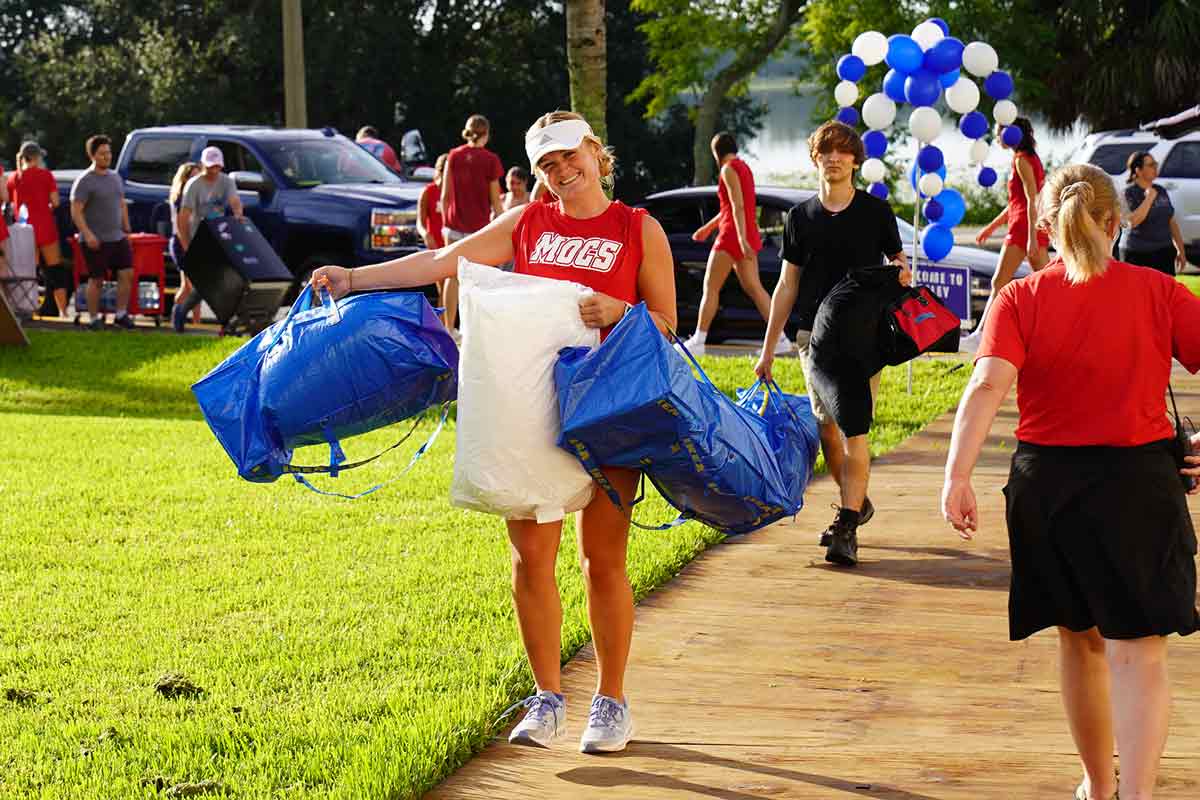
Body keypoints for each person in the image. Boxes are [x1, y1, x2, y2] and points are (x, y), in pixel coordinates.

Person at [312, 110, 676, 755]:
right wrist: (352, 279)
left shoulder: (638, 229)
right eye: (548, 165)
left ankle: (612, 702)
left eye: (570, 156)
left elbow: (670, 329)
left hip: (610, 412)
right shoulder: (528, 223)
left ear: (596, 151)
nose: (564, 172)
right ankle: (547, 698)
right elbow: (442, 262)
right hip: (530, 412)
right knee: (531, 559)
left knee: (603, 563)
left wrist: (623, 312)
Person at [942, 163, 1200, 800]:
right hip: (1138, 483)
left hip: (1048, 489)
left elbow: (986, 386)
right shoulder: (1160, 292)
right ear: (1116, 224)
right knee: (1138, 653)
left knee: (1080, 643)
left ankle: (1096, 784)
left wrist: (957, 475)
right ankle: (1135, 794)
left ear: (1044, 228)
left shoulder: (1020, 299)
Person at [753, 120, 908, 567]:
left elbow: (897, 264)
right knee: (827, 429)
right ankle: (856, 501)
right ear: (815, 160)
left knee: (853, 428)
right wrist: (767, 351)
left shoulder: (876, 213)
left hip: (864, 338)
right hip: (810, 339)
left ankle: (846, 524)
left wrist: (900, 274)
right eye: (827, 152)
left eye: (844, 151)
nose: (835, 158)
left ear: (856, 161)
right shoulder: (800, 217)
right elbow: (787, 283)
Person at [679, 131, 789, 356]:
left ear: (716, 152)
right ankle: (782, 339)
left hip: (731, 236)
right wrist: (708, 228)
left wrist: (740, 239)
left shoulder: (728, 170)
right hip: (743, 232)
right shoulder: (744, 168)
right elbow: (732, 208)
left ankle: (699, 340)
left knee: (710, 287)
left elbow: (737, 207)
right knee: (755, 288)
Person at [962, 117, 1050, 351]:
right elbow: (1017, 202)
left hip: (1024, 227)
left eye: (1000, 131)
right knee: (1047, 282)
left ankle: (981, 335)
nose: (997, 136)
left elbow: (1033, 199)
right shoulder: (1027, 158)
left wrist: (1031, 236)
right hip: (1026, 224)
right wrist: (992, 227)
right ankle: (1054, 330)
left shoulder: (1022, 160)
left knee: (999, 282)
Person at [440, 114, 504, 332]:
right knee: (478, 281)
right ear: (486, 134)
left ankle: (449, 329)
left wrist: (444, 224)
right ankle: (474, 330)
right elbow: (496, 202)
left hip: (453, 225)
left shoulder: (454, 156)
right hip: (479, 229)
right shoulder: (490, 160)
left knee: (452, 277)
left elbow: (445, 195)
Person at [172, 147, 245, 332]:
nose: (214, 171)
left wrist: (237, 215)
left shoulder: (226, 181)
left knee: (221, 282)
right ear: (203, 165)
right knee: (203, 284)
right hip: (198, 237)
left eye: (217, 167)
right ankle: (181, 312)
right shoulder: (194, 185)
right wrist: (187, 245)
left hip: (219, 236)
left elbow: (235, 201)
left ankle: (225, 324)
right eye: (210, 167)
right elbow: (183, 217)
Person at [70, 135, 135, 331]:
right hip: (95, 239)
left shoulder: (115, 178)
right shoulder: (85, 181)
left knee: (127, 273)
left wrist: (127, 229)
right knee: (97, 279)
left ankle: (121, 315)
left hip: (117, 237)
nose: (107, 157)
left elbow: (121, 204)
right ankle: (93, 318)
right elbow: (76, 210)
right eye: (102, 154)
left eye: (108, 153)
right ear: (92, 155)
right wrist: (87, 234)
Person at [7, 142, 67, 318]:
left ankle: (27, 310)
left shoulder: (14, 178)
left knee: (29, 272)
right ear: (36, 157)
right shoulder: (46, 175)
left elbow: (10, 203)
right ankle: (64, 312)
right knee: (55, 271)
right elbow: (55, 202)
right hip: (45, 228)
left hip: (24, 232)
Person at [1119, 151, 1188, 276]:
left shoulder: (1160, 190)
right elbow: (1132, 222)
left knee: (1164, 293)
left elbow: (1171, 221)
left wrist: (1180, 250)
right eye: (1150, 165)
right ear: (1138, 171)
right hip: (1137, 254)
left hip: (1164, 252)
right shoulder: (1127, 193)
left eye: (1155, 164)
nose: (1155, 167)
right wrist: (1149, 198)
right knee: (1139, 294)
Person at [167, 161, 201, 328]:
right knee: (188, 286)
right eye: (193, 176)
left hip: (194, 241)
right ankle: (177, 314)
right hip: (182, 242)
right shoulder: (181, 198)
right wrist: (187, 247)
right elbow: (181, 226)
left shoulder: (194, 196)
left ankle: (196, 321)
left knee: (197, 285)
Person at [417, 154, 447, 251]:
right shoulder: (428, 191)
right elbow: (420, 223)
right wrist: (425, 235)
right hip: (434, 247)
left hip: (453, 242)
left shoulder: (458, 191)